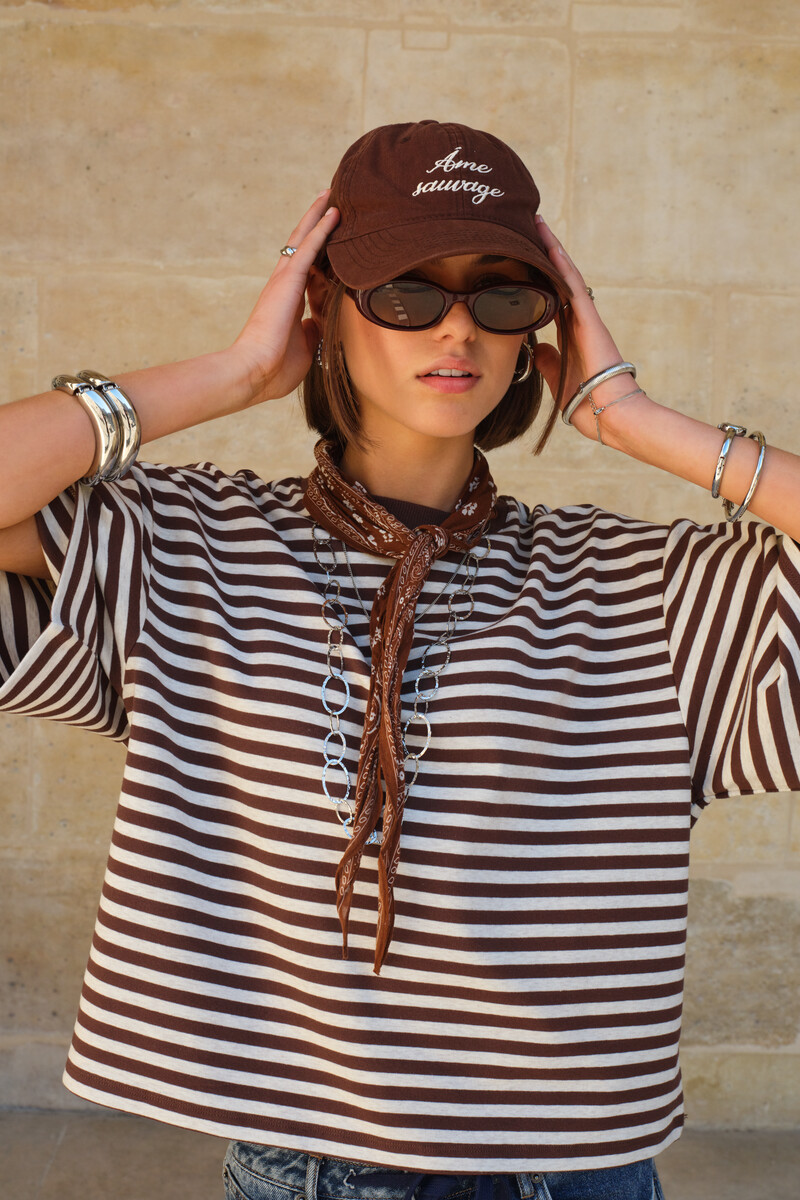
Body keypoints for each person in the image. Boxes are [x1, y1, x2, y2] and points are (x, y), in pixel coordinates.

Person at [0, 120, 798, 1200]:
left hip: (571, 1171)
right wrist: (232, 373)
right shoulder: (190, 548)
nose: (455, 327)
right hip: (307, 1167)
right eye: (407, 291)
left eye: (501, 294)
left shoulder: (643, 589)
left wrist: (634, 417)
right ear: (323, 304)